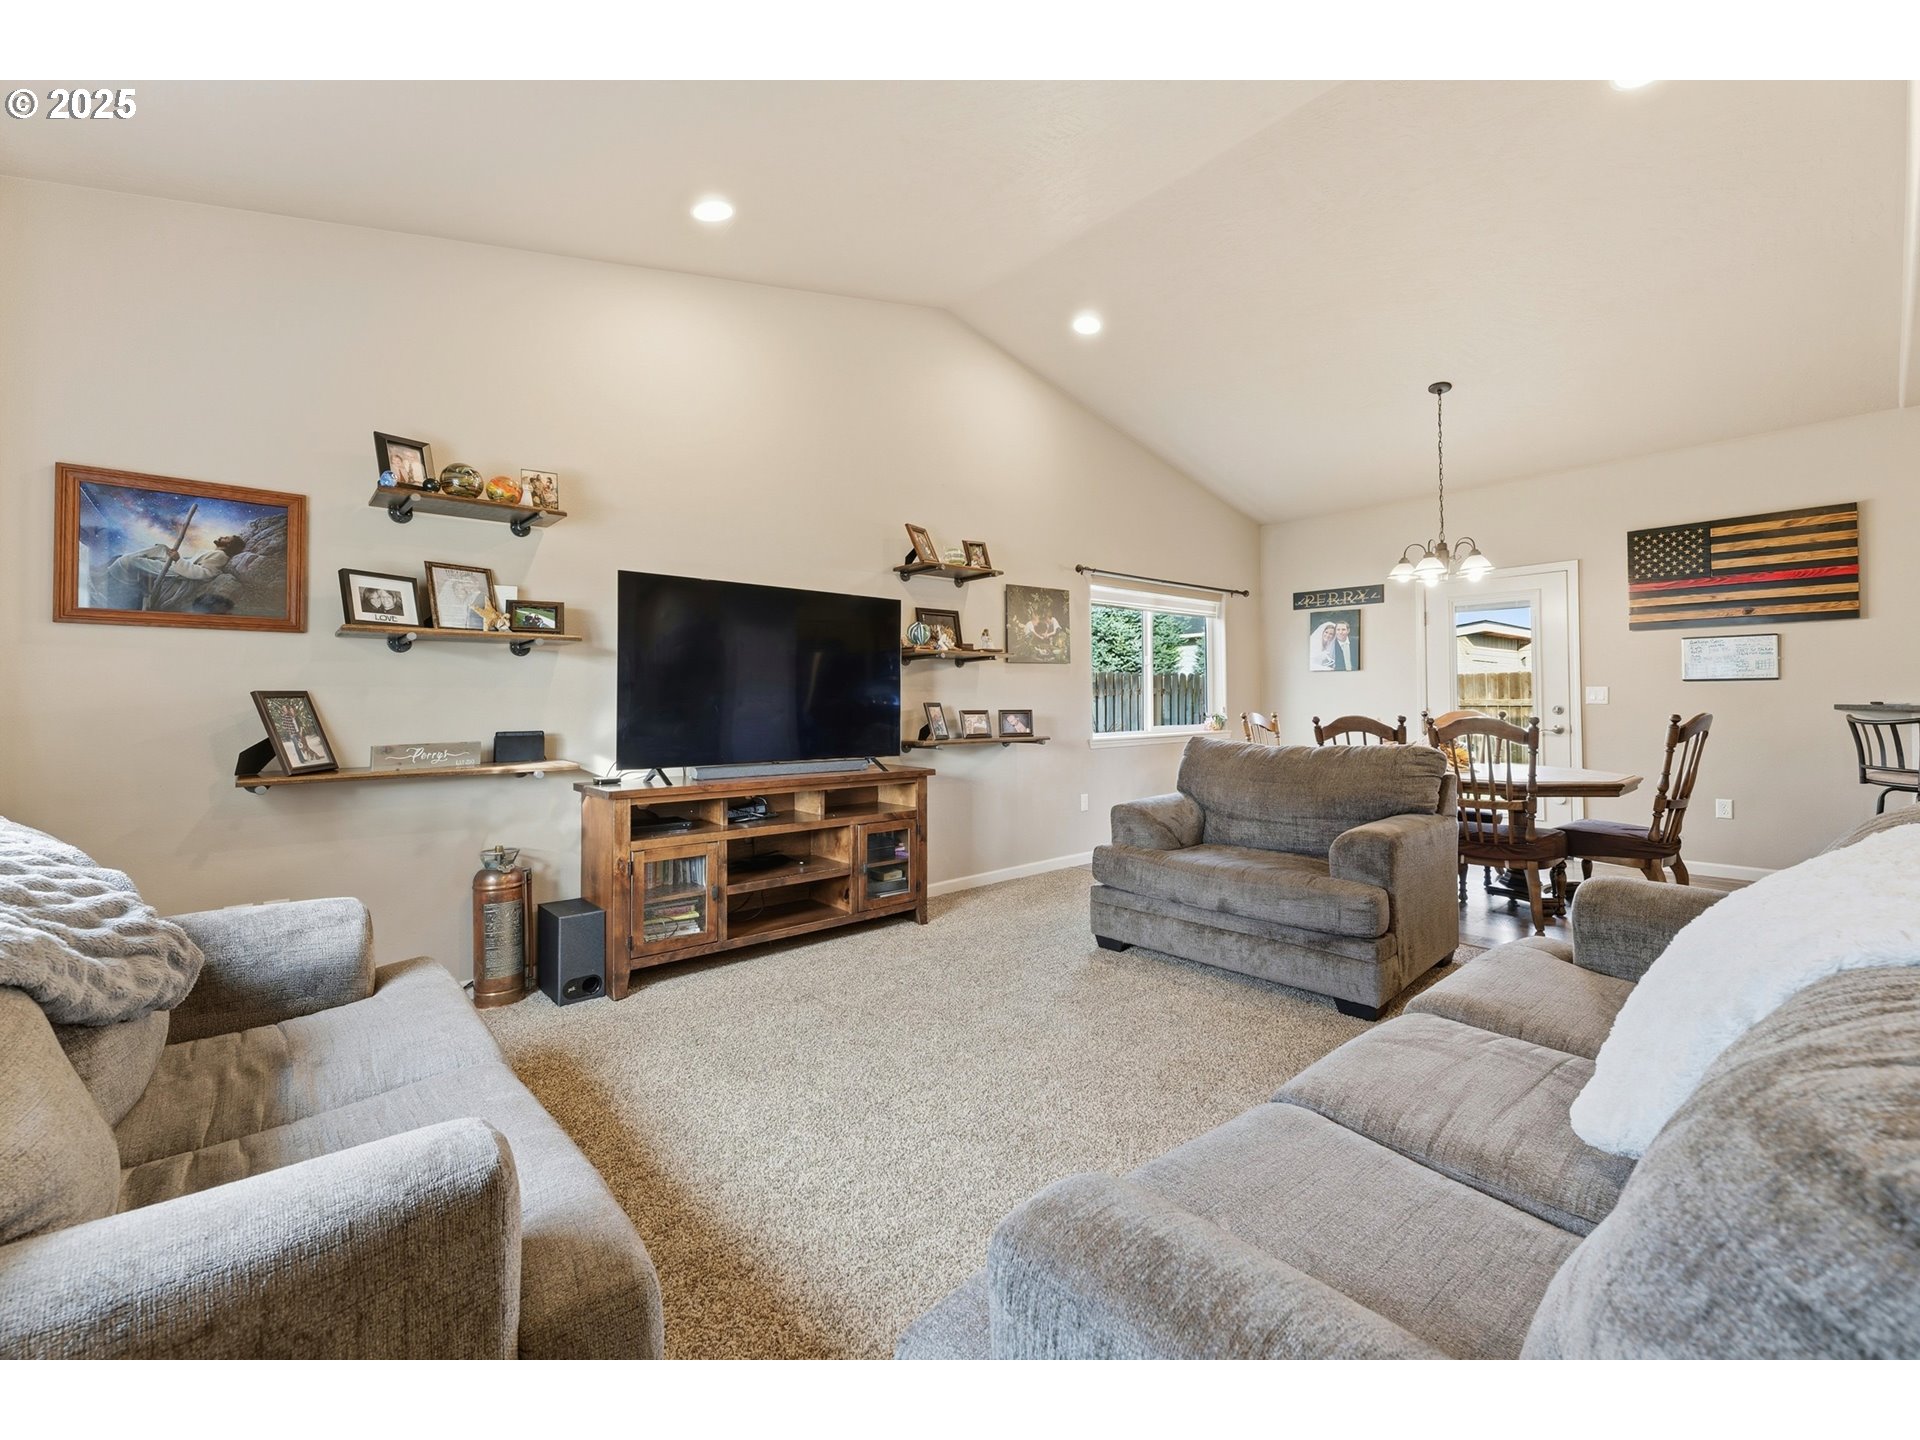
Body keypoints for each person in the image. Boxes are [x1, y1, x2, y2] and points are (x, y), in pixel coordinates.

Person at [104, 533, 246, 612]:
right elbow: (192, 562)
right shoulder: (214, 553)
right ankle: (122, 564)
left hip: (178, 572)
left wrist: (178, 560)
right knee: (162, 548)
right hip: (179, 566)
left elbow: (204, 573)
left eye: (226, 538)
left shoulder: (221, 556)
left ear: (229, 545)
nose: (222, 537)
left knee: (131, 561)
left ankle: (116, 570)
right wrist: (177, 557)